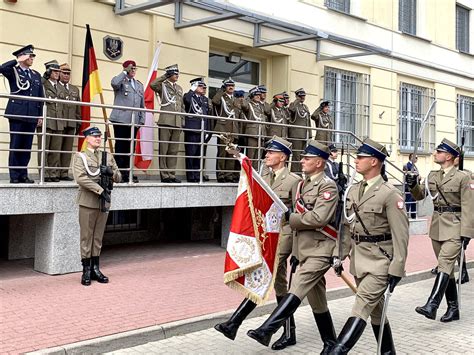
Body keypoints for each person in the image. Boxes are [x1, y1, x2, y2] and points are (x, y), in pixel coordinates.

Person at [247, 141, 339, 354]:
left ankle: (267, 329)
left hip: (321, 248)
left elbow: (318, 218)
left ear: (319, 162)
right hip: (305, 249)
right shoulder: (302, 184)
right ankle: (331, 343)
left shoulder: (328, 186)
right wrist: (296, 252)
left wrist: (291, 217)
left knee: (296, 287)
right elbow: (299, 228)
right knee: (318, 302)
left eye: (307, 158)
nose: (302, 161)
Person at [214, 136, 301, 350]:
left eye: (271, 153)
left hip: (283, 237)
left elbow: (298, 215)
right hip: (264, 237)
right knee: (276, 283)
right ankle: (288, 333)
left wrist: (296, 248)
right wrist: (238, 156)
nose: (267, 155)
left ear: (283, 157)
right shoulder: (263, 177)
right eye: (267, 152)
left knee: (264, 275)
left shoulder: (294, 180)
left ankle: (234, 323)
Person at [329, 138, 409, 354]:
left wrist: (397, 268)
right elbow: (346, 228)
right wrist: (339, 255)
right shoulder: (353, 191)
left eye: (361, 157)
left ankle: (337, 350)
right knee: (375, 309)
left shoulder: (389, 194)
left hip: (380, 261)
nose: (356, 160)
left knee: (361, 305)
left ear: (374, 161)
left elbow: (401, 235)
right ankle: (388, 351)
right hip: (359, 260)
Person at [406, 138, 473, 323]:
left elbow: (469, 206)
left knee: (444, 264)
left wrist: (467, 233)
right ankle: (453, 308)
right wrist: (412, 184)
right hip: (436, 226)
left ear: (449, 156)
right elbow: (420, 196)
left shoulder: (463, 177)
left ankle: (432, 304)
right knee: (448, 270)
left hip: (455, 225)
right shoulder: (433, 175)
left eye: (439, 151)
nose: (435, 154)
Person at [72, 127, 121, 286]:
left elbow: (119, 177)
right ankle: (86, 270)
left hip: (103, 202)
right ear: (87, 139)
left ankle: (95, 268)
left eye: (99, 136)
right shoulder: (80, 157)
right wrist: (100, 191)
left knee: (98, 238)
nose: (98, 139)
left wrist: (110, 172)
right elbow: (81, 178)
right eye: (94, 136)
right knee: (86, 237)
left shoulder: (107, 157)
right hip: (88, 201)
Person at [0, 44, 44, 183]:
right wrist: (17, 60)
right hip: (17, 113)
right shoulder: (13, 71)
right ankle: (14, 175)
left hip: (31, 115)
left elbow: (40, 97)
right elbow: (2, 68)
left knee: (26, 147)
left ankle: (23, 174)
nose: (32, 58)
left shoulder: (36, 74)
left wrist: (40, 115)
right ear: (22, 57)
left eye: (32, 56)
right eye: (30, 56)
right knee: (16, 145)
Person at [109, 60, 145, 183]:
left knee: (130, 148)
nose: (133, 71)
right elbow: (114, 83)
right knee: (121, 147)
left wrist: (142, 120)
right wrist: (124, 72)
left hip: (134, 121)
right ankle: (119, 173)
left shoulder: (139, 85)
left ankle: (128, 172)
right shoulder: (120, 80)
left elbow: (142, 105)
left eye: (135, 68)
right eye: (131, 68)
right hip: (120, 120)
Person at [150, 64, 184, 183]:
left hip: (177, 122)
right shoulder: (162, 85)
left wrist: (182, 121)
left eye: (177, 73)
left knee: (173, 151)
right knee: (164, 149)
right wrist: (164, 76)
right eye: (174, 73)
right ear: (169, 74)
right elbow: (152, 85)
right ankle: (164, 175)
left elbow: (181, 106)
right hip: (166, 121)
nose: (177, 75)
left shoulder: (179, 88)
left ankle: (171, 174)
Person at [39, 60, 63, 182]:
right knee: (44, 149)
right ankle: (44, 173)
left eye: (58, 71)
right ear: (48, 71)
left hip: (58, 122)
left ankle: (53, 173)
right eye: (54, 71)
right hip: (47, 120)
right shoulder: (43, 84)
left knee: (55, 150)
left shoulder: (60, 86)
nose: (57, 73)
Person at [57, 63, 82, 181]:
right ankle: (55, 172)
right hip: (58, 122)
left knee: (67, 149)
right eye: (64, 73)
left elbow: (78, 107)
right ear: (59, 73)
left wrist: (78, 122)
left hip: (71, 122)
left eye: (68, 73)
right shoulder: (55, 86)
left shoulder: (74, 89)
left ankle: (64, 172)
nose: (66, 76)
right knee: (56, 148)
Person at [212, 78, 239, 182]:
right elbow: (214, 101)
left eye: (232, 85)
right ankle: (221, 175)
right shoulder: (221, 97)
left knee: (232, 154)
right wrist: (221, 91)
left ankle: (229, 175)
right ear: (225, 87)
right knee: (222, 153)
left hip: (234, 129)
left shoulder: (235, 99)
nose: (231, 87)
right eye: (228, 85)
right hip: (223, 129)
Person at [183, 77, 209, 182]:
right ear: (194, 86)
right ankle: (191, 176)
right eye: (200, 86)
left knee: (199, 154)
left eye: (203, 86)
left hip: (202, 130)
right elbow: (186, 100)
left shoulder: (204, 99)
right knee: (191, 153)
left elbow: (206, 115)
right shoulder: (189, 96)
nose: (203, 88)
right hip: (192, 129)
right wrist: (191, 90)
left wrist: (207, 131)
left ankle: (197, 175)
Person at [241, 86, 267, 169]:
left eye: (259, 95)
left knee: (258, 157)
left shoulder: (261, 106)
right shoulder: (249, 104)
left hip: (261, 133)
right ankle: (249, 174)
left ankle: (255, 175)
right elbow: (243, 105)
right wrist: (249, 97)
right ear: (252, 96)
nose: (259, 96)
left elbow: (268, 111)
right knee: (251, 156)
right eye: (256, 95)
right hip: (252, 133)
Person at [288, 89, 310, 173]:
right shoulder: (294, 105)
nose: (302, 98)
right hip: (296, 134)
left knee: (302, 156)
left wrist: (309, 134)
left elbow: (307, 121)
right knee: (296, 156)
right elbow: (291, 109)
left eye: (303, 96)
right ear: (297, 96)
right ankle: (295, 172)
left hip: (304, 134)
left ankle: (300, 172)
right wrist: (296, 100)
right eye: (301, 96)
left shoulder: (305, 107)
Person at [402, 153, 419, 219]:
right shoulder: (407, 165)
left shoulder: (413, 165)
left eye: (417, 158)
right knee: (408, 201)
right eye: (415, 157)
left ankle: (413, 215)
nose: (416, 159)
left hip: (415, 186)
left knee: (414, 201)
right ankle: (406, 215)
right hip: (410, 186)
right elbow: (407, 175)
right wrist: (416, 176)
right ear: (411, 158)